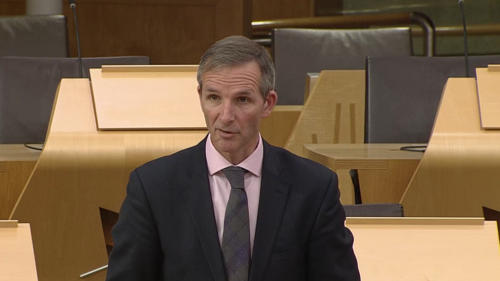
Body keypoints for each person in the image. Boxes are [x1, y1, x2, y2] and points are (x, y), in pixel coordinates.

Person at [105, 35, 360, 281]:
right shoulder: (153, 188)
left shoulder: (314, 188)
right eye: (214, 97)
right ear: (200, 97)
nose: (225, 116)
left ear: (268, 104)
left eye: (242, 100)